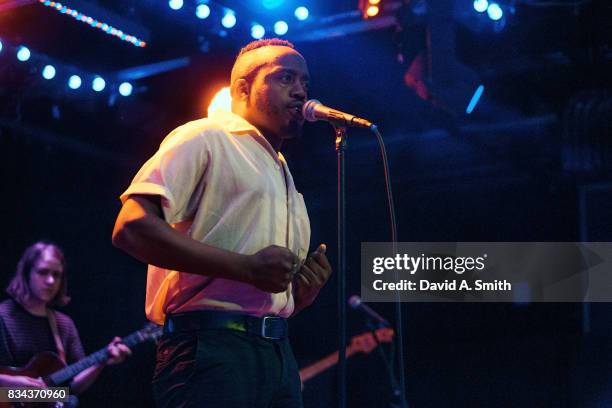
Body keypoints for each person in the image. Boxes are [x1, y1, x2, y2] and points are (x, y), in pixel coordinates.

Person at [112, 38, 332, 408]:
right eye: (285, 78)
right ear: (242, 88)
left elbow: (263, 286)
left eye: (305, 83)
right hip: (209, 349)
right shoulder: (205, 136)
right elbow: (130, 227)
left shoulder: (280, 168)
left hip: (277, 350)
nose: (300, 92)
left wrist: (297, 296)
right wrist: (245, 268)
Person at [0, 241, 132, 395]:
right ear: (27, 273)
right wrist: (9, 382)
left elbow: (71, 388)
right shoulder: (3, 316)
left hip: (46, 400)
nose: (50, 281)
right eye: (43, 272)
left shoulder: (63, 324)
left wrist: (101, 361)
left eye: (56, 275)